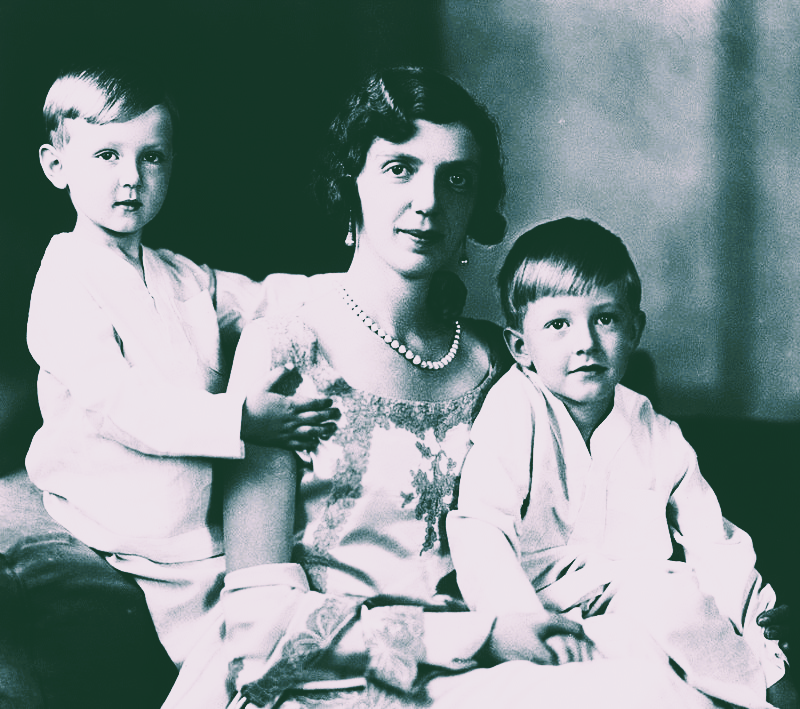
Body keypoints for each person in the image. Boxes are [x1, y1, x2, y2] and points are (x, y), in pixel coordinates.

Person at [163, 67, 737, 709]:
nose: (428, 202)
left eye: (456, 178)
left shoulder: (502, 359)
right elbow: (256, 625)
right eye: (399, 169)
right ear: (352, 183)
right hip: (331, 677)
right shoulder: (286, 348)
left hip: (496, 666)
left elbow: (591, 524)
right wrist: (479, 635)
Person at [26, 66, 341, 671]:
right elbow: (123, 405)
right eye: (107, 155)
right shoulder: (64, 280)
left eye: (152, 158)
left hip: (197, 514)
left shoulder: (176, 273)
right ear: (57, 166)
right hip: (129, 517)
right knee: (247, 657)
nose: (131, 178)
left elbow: (262, 297)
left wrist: (354, 290)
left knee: (297, 603)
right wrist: (242, 418)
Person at [447, 217, 797, 708]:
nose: (586, 342)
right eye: (558, 324)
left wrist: (759, 633)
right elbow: (482, 527)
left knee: (675, 603)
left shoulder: (657, 432)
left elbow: (715, 544)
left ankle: (768, 687)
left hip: (641, 608)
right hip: (543, 614)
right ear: (521, 347)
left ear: (635, 329)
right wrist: (518, 623)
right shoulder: (514, 411)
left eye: (606, 319)